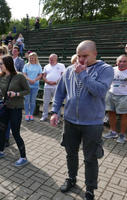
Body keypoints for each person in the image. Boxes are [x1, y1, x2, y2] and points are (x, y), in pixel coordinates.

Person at [50, 40, 114, 200]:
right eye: (78, 56)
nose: (81, 60)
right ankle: (71, 179)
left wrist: (83, 74)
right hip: (70, 121)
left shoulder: (105, 69)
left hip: (92, 124)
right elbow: (60, 93)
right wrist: (55, 111)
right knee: (70, 154)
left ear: (95, 54)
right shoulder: (70, 69)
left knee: (90, 158)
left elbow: (100, 91)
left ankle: (90, 189)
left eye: (85, 56)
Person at [103, 55, 127, 143]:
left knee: (123, 115)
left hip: (124, 95)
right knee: (111, 113)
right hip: (111, 94)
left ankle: (122, 134)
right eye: (120, 61)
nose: (122, 63)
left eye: (124, 61)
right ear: (116, 62)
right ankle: (113, 132)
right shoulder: (112, 70)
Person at [40, 54, 65, 122]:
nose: (50, 61)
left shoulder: (61, 66)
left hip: (57, 87)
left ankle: (58, 117)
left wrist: (57, 82)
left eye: (52, 60)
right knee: (46, 102)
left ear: (56, 59)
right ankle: (44, 116)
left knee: (57, 102)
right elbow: (43, 76)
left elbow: (63, 75)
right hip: (47, 86)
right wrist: (47, 82)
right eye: (49, 59)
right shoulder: (46, 66)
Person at [22, 52, 42, 121]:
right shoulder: (26, 65)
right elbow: (24, 74)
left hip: (35, 85)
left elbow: (40, 75)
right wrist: (30, 80)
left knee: (33, 100)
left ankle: (31, 114)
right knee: (27, 100)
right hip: (27, 85)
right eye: (30, 58)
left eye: (32, 58)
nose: (31, 59)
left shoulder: (38, 66)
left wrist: (34, 80)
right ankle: (27, 114)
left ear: (35, 58)